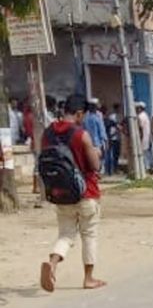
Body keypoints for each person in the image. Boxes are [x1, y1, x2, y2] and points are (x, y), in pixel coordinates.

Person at [39, 94, 105, 292]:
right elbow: (94, 165)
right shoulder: (80, 134)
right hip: (86, 192)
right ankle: (89, 278)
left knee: (66, 234)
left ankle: (52, 263)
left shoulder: (48, 133)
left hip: (60, 192)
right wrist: (97, 152)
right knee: (89, 234)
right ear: (78, 113)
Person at [103, 103, 122, 175]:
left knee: (116, 154)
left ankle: (115, 169)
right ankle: (111, 170)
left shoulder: (119, 116)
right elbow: (115, 126)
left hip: (117, 137)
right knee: (111, 154)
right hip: (112, 137)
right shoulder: (111, 117)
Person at [135, 102, 153, 173]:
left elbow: (140, 128)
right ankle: (150, 166)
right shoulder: (145, 115)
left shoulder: (140, 116)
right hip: (147, 136)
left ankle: (147, 167)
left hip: (143, 137)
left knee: (144, 154)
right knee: (148, 153)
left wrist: (140, 137)